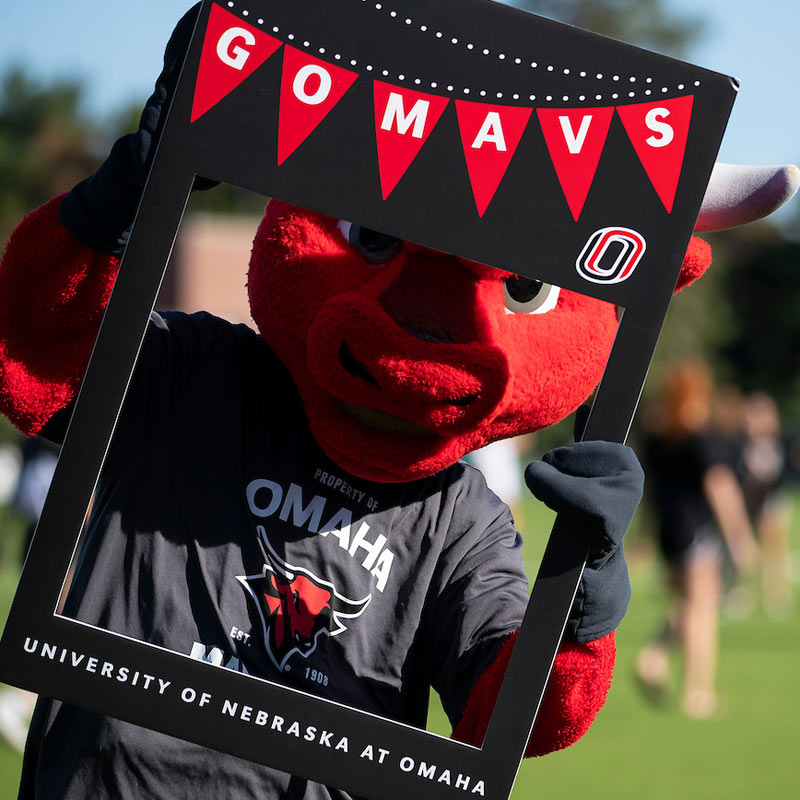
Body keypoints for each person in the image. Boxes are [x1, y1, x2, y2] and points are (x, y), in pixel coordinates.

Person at [0, 7, 649, 797]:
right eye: (372, 235)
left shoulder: (462, 521)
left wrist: (577, 608)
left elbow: (507, 714)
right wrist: (121, 197)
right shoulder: (196, 372)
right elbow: (32, 356)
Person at [636, 361, 758, 718]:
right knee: (702, 610)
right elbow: (721, 489)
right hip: (697, 533)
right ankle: (696, 692)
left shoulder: (658, 437)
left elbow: (651, 492)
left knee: (689, 605)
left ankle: (656, 656)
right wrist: (739, 537)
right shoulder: (703, 438)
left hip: (668, 534)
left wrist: (644, 535)